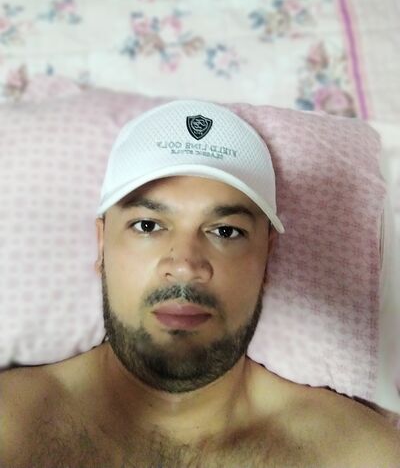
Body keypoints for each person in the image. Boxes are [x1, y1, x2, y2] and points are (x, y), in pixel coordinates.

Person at [1, 100, 399, 468]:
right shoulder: (12, 425)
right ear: (102, 244)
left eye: (225, 231)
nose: (185, 267)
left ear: (267, 256)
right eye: (148, 226)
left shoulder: (356, 453)